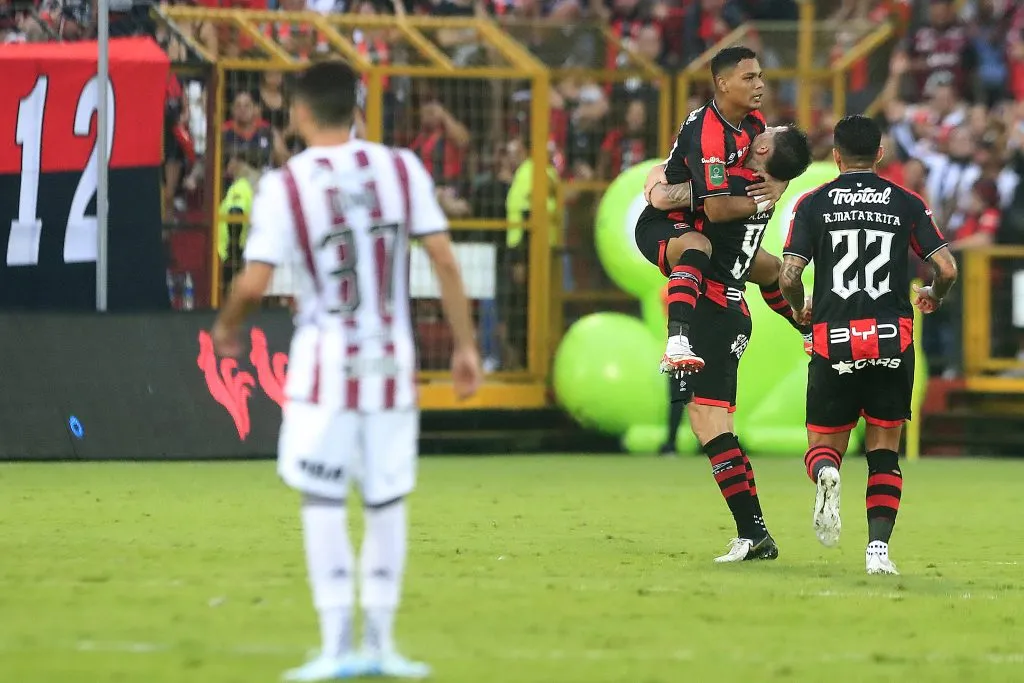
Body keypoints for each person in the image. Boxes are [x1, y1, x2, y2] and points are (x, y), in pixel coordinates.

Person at [210, 60, 483, 680]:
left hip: (323, 367)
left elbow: (253, 282)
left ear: (299, 114)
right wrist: (465, 347)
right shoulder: (401, 168)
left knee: (322, 497)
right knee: (386, 500)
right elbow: (444, 260)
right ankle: (381, 645)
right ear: (357, 110)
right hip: (391, 362)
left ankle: (336, 646)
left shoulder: (286, 184)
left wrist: (227, 328)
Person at [779, 115, 958, 576]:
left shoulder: (813, 203)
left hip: (834, 338)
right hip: (890, 339)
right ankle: (878, 551)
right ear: (880, 154)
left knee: (823, 445)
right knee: (884, 451)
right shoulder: (906, 202)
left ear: (836, 155)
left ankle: (826, 473)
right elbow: (947, 269)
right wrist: (934, 295)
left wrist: (800, 309)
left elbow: (789, 276)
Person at [664, 124, 812, 562]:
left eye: (768, 131)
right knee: (719, 428)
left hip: (713, 313)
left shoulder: (733, 187)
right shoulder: (762, 190)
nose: (759, 130)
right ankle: (755, 531)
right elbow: (767, 270)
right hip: (732, 311)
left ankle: (752, 532)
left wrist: (657, 183)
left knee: (710, 426)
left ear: (762, 148)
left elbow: (663, 193)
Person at [636, 45, 809, 377]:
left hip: (700, 219)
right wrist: (763, 200)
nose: (760, 85)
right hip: (667, 221)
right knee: (698, 247)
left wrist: (781, 183)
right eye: (749, 78)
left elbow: (775, 158)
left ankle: (808, 330)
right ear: (723, 83)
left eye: (760, 76)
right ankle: (677, 342)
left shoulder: (754, 122)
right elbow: (713, 208)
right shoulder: (710, 134)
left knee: (771, 269)